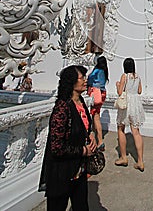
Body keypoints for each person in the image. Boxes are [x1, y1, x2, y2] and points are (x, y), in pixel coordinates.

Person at [38, 65, 97, 211]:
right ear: (71, 82)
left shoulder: (81, 102)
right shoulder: (62, 108)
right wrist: (83, 151)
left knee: (81, 206)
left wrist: (91, 134)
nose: (85, 80)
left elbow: (85, 124)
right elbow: (57, 148)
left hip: (79, 170)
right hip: (62, 172)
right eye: (82, 77)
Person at [115, 57, 145, 172]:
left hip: (126, 103)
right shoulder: (137, 76)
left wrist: (118, 85)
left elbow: (120, 92)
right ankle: (140, 161)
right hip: (136, 104)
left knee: (121, 128)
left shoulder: (124, 76)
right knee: (136, 132)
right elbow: (139, 91)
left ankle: (123, 157)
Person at [87, 55, 109, 150]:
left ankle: (100, 141)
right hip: (102, 93)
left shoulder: (97, 70)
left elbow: (90, 78)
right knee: (95, 115)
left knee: (95, 117)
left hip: (95, 93)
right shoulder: (105, 71)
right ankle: (94, 138)